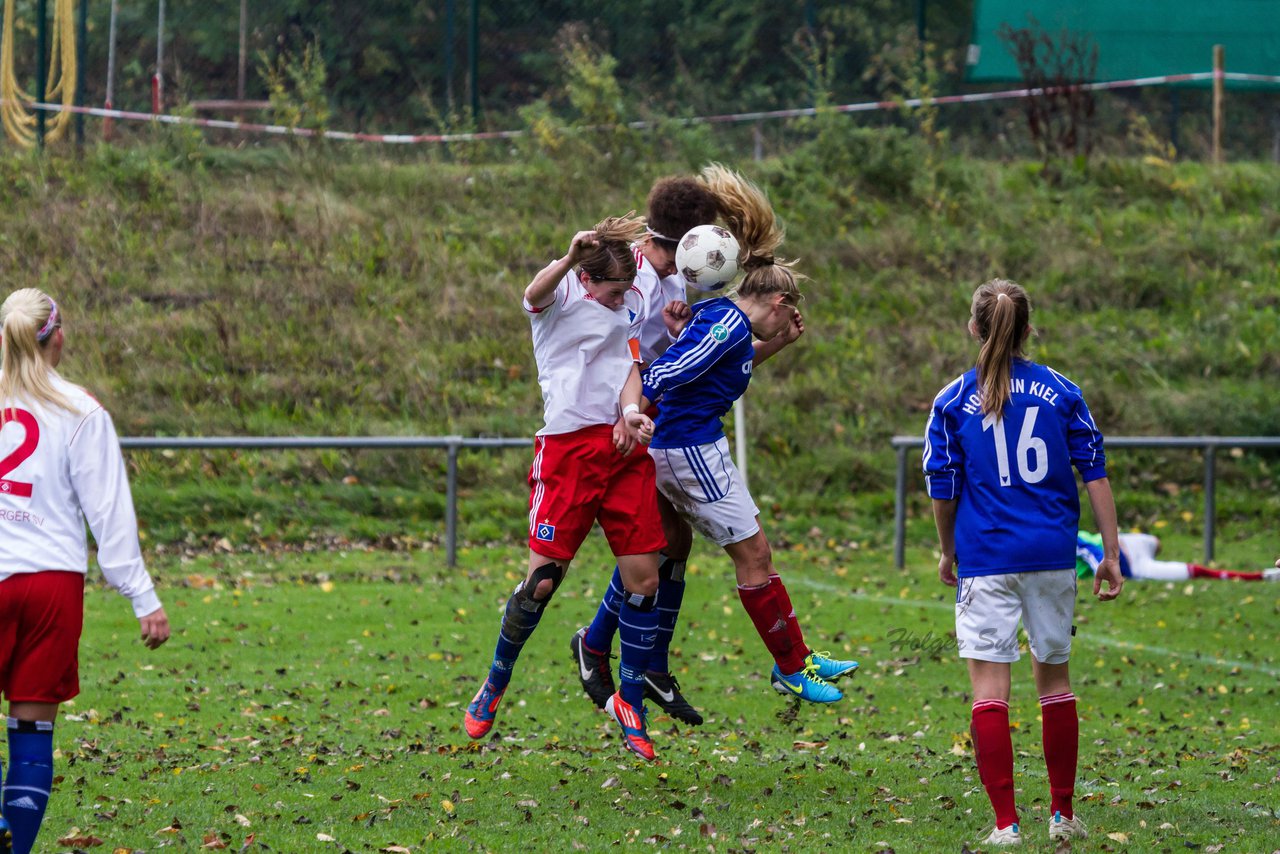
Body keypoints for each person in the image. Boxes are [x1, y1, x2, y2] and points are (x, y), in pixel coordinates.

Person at [576, 165, 857, 716]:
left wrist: (769, 345)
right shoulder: (682, 301)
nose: (788, 327)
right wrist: (632, 414)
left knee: (665, 550)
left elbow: (713, 362)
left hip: (674, 440)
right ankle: (791, 667)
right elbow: (668, 372)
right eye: (788, 318)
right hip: (682, 446)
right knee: (752, 554)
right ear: (775, 304)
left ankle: (637, 660)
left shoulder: (710, 310)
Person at [924, 278, 1123, 848]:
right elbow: (1095, 473)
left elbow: (945, 487)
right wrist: (1109, 554)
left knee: (990, 690)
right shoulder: (1062, 391)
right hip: (1052, 557)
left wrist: (948, 550)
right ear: (1029, 329)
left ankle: (1006, 825)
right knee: (1055, 682)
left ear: (973, 328)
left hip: (987, 559)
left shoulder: (952, 399)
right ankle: (1062, 815)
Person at [463, 215, 669, 762]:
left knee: (645, 580)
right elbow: (531, 292)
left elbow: (631, 364)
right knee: (541, 585)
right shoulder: (558, 303)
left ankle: (631, 707)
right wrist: (569, 257)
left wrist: (631, 413)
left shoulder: (626, 305)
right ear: (585, 279)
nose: (622, 300)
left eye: (628, 291)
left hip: (622, 452)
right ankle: (494, 683)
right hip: (568, 456)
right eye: (613, 290)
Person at [0, 288, 171, 854]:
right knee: (30, 734)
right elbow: (109, 513)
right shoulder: (82, 410)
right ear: (57, 336)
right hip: (52, 585)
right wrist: (142, 597)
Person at [569, 175, 720, 726]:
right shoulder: (629, 278)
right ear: (683, 238)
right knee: (660, 544)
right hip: (614, 425)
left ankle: (626, 653)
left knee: (671, 542)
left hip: (647, 418)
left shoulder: (675, 282)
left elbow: (657, 352)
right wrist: (621, 416)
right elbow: (612, 352)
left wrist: (681, 338)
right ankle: (613, 651)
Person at [1076, 531, 1280, 582]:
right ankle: (1262, 575)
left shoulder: (1055, 536)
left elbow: (1089, 550)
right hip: (1127, 542)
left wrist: (1106, 571)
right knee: (1156, 543)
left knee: (1194, 573)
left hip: (1125, 560)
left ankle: (1257, 576)